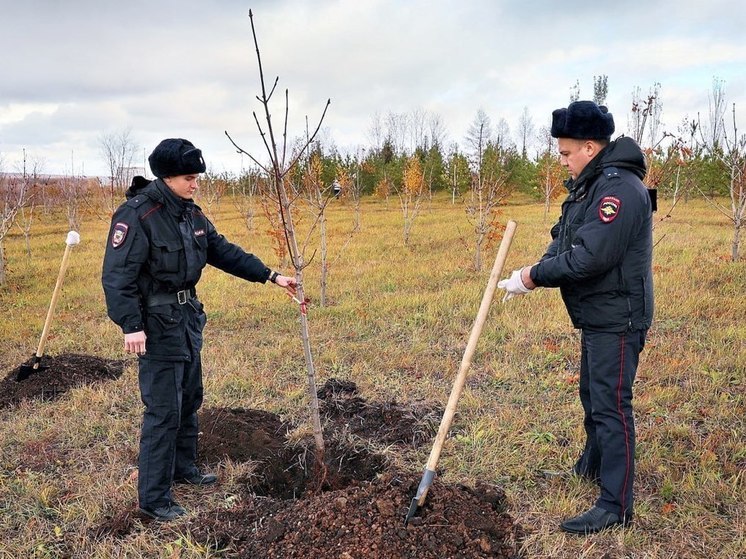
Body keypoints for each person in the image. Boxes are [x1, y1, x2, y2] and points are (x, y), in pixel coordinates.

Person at [102, 138, 297, 522]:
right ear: (168, 177)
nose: (195, 184)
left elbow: (222, 250)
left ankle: (183, 468)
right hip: (154, 326)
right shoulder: (137, 216)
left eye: (197, 178)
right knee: (163, 410)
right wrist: (131, 326)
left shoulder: (191, 215)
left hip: (187, 319)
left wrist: (271, 276)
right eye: (189, 178)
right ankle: (154, 499)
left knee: (190, 397)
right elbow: (116, 277)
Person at [498, 101, 654, 534]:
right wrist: (534, 267)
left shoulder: (619, 189)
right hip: (598, 313)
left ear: (590, 146)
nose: (562, 161)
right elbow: (564, 239)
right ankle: (592, 467)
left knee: (611, 406)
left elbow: (590, 258)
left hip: (618, 315)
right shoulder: (589, 186)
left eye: (567, 153)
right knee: (593, 396)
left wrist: (532, 277)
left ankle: (615, 504)